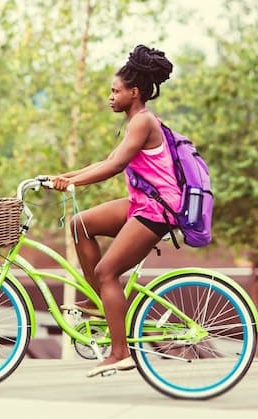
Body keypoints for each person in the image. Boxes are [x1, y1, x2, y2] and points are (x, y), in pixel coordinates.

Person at [45, 45, 180, 377]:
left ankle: (120, 353)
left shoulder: (143, 121)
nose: (110, 97)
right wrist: (61, 177)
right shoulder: (135, 122)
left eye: (115, 91)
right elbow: (106, 161)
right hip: (142, 203)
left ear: (134, 92)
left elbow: (115, 166)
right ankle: (98, 301)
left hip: (158, 209)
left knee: (107, 271)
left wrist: (72, 183)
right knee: (80, 224)